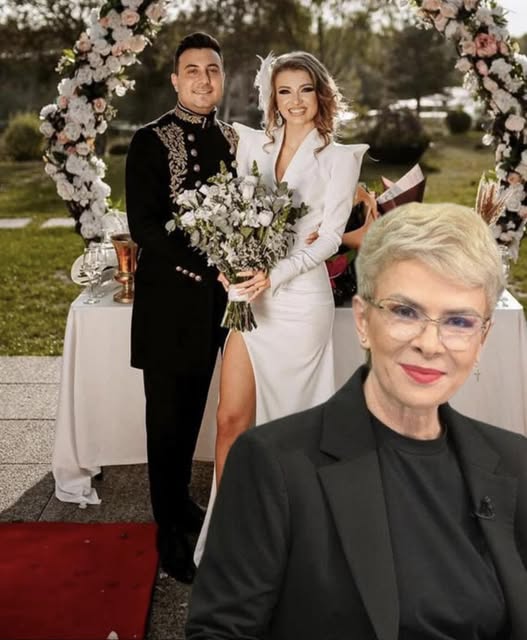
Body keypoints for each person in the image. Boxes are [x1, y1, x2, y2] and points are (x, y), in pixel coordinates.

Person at [186, 202, 527, 639]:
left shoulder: (514, 461)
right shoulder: (273, 465)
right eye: (405, 311)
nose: (430, 343)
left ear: (483, 338)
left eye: (458, 321)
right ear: (363, 320)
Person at [193, 51, 368, 562]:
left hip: (299, 301)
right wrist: (228, 262)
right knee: (231, 419)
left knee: (293, 429)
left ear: (321, 95)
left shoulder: (339, 157)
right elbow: (235, 213)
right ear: (273, 97)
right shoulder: (254, 144)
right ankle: (230, 539)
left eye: (305, 90)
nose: (295, 101)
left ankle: (298, 543)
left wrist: (276, 273)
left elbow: (330, 237)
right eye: (285, 91)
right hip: (249, 299)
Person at [125, 32, 237, 584]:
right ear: (175, 80)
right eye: (192, 70)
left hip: (214, 307)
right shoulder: (149, 140)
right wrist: (211, 262)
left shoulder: (234, 141)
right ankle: (168, 533)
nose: (203, 79)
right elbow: (144, 226)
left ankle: (182, 506)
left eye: (212, 69)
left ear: (222, 78)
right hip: (169, 304)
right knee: (166, 422)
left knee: (192, 411)